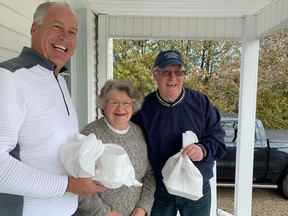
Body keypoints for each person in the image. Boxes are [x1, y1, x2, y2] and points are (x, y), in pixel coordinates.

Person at [0, 2, 106, 216]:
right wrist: (69, 185)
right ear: (34, 28)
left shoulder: (57, 79)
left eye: (72, 32)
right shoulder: (11, 77)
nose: (65, 37)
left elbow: (51, 145)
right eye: (56, 27)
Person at [131, 50, 227, 216]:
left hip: (196, 189)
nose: (173, 77)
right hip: (160, 191)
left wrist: (202, 150)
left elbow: (218, 141)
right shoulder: (144, 109)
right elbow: (131, 146)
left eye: (178, 72)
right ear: (155, 74)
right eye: (166, 72)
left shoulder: (201, 103)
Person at [76, 80, 156, 216]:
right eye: (114, 102)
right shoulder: (91, 134)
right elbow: (77, 181)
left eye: (126, 103)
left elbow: (149, 174)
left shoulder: (139, 133)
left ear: (133, 106)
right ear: (104, 105)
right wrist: (103, 212)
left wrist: (142, 208)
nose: (120, 108)